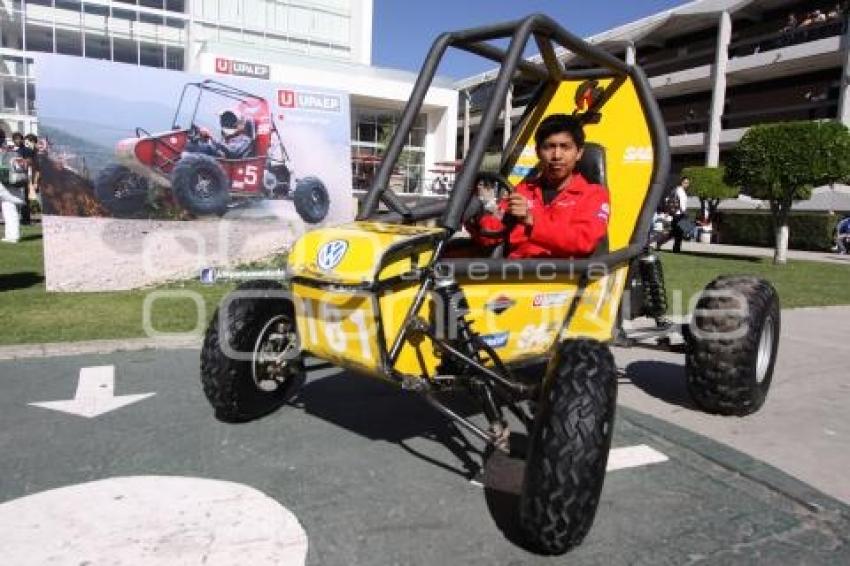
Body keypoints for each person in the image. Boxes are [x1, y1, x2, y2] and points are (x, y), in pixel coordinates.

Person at [467, 113, 609, 259]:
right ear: (538, 152)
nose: (557, 155)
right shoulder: (523, 190)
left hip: (563, 277)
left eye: (565, 147)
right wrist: (473, 217)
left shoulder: (593, 195)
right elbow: (490, 236)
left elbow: (584, 241)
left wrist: (531, 220)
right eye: (549, 147)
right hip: (513, 273)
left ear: (579, 153)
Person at [670, 176, 691, 253]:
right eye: (686, 182)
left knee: (676, 232)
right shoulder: (680, 191)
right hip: (680, 214)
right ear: (682, 182)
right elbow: (682, 204)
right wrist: (684, 213)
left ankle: (676, 248)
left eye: (688, 183)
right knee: (679, 232)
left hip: (678, 214)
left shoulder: (679, 190)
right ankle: (676, 249)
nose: (687, 184)